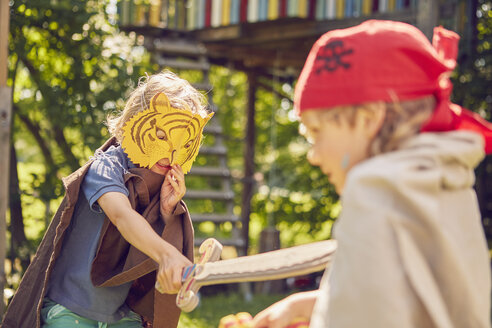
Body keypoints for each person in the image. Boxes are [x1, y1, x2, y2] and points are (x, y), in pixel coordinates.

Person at [252, 20, 492, 328]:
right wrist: (308, 305)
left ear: (368, 119)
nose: (313, 155)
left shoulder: (375, 189)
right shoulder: (444, 177)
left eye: (316, 131)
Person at [3, 71, 214, 328]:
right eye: (161, 136)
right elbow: (122, 216)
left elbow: (147, 247)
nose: (171, 152)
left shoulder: (163, 181)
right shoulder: (105, 167)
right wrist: (168, 255)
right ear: (135, 122)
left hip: (120, 316)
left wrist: (167, 211)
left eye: (183, 142)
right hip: (69, 311)